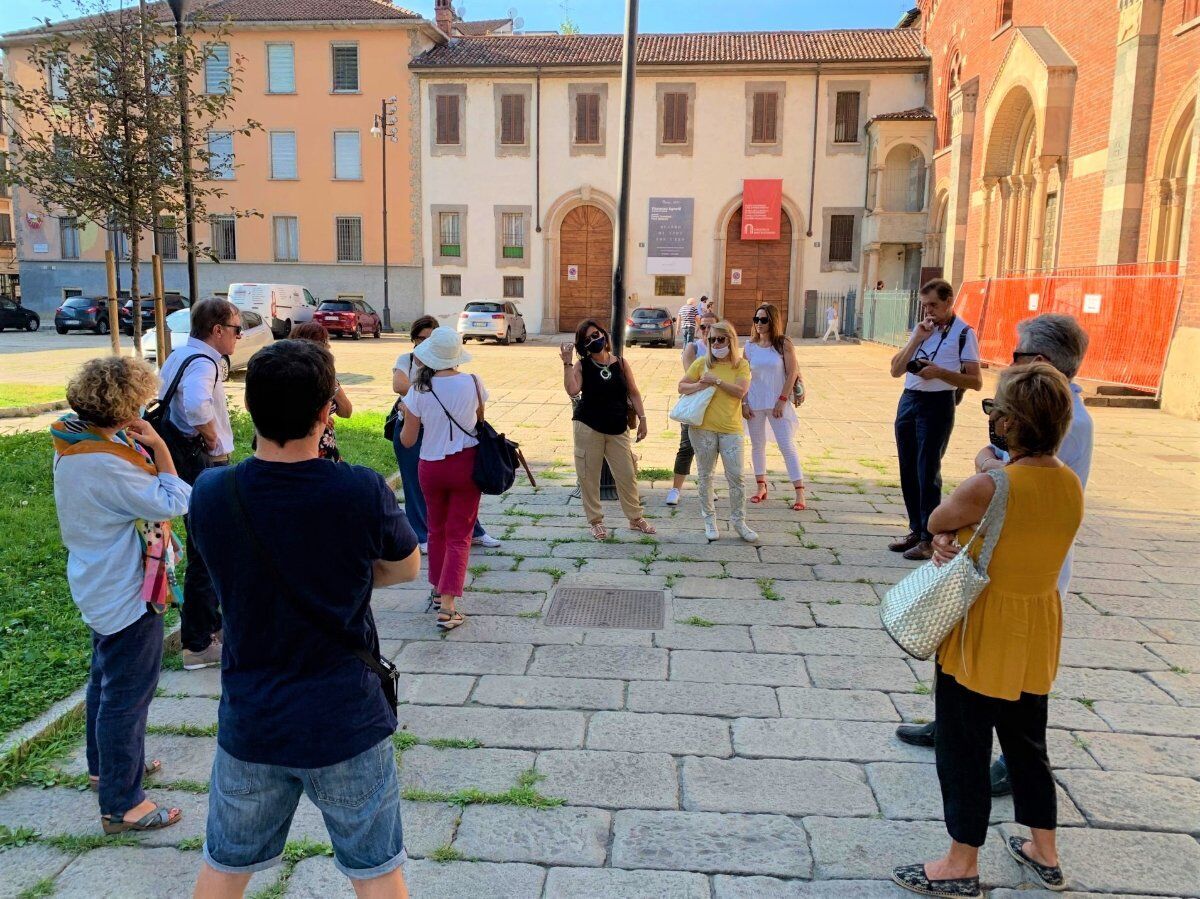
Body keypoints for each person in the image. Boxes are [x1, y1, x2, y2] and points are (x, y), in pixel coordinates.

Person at [190, 340, 420, 898]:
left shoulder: (214, 492)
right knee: (377, 873)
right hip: (345, 717)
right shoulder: (358, 488)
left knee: (224, 868)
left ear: (248, 408)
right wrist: (347, 579)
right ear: (325, 412)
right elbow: (407, 567)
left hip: (253, 717)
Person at [891, 364, 1083, 899]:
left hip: (983, 630)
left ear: (1011, 424)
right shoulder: (1069, 483)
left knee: (964, 747)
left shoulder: (991, 483)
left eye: (995, 410)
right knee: (1027, 743)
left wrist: (961, 513)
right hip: (1038, 628)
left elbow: (935, 519)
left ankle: (960, 863)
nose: (992, 417)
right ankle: (1045, 850)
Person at [896, 315, 1093, 793]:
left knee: (1013, 669)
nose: (1010, 363)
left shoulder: (1068, 420)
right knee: (962, 646)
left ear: (1040, 362)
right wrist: (952, 529)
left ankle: (1012, 756)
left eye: (1018, 356)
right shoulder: (1054, 412)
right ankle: (950, 725)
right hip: (992, 550)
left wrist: (984, 466)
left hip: (1023, 567)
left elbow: (1009, 478)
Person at [52, 357, 190, 835]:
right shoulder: (107, 462)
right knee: (128, 696)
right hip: (125, 588)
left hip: (95, 577)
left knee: (104, 682)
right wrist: (162, 449)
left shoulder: (73, 439)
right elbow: (175, 500)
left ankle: (105, 769)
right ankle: (123, 804)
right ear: (126, 406)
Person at [157, 298, 241, 671]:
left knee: (206, 547)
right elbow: (195, 406)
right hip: (203, 463)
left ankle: (211, 625)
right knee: (208, 552)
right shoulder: (205, 361)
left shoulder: (180, 355)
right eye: (237, 329)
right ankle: (196, 643)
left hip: (185, 462)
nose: (239, 337)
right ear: (218, 329)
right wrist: (211, 437)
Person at [401, 327, 491, 630]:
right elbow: (480, 421)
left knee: (436, 530)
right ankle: (449, 605)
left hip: (430, 466)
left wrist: (407, 416)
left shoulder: (417, 390)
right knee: (460, 534)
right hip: (466, 465)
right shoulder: (474, 382)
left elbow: (408, 440)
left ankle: (439, 590)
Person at [888, 279, 982, 561]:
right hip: (909, 399)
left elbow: (975, 381)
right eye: (924, 305)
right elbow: (895, 370)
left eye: (934, 305)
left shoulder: (964, 333)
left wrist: (940, 372)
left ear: (949, 302)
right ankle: (916, 530)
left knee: (927, 470)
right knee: (908, 467)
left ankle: (930, 538)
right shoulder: (921, 331)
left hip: (938, 403)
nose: (928, 311)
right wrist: (917, 338)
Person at [391, 316, 501, 552]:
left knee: (463, 492)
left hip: (443, 430)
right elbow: (399, 386)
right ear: (413, 340)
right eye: (421, 339)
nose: (426, 343)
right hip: (414, 425)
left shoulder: (462, 379)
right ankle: (422, 535)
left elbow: (476, 414)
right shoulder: (407, 361)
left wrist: (435, 389)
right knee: (414, 484)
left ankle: (474, 531)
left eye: (431, 339)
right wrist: (428, 394)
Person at [562, 319, 656, 540]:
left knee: (627, 473)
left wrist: (643, 419)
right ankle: (596, 522)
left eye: (596, 335)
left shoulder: (621, 363)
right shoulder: (582, 365)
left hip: (617, 427)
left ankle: (635, 518)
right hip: (588, 426)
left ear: (604, 335)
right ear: (583, 345)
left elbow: (633, 392)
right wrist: (567, 363)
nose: (595, 340)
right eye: (588, 339)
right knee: (588, 476)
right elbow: (573, 390)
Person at [679, 320, 757, 543]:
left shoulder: (740, 365)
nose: (715, 343)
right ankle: (709, 520)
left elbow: (740, 391)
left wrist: (718, 381)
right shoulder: (702, 363)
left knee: (737, 477)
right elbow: (682, 386)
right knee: (705, 475)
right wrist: (699, 385)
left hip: (731, 429)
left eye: (720, 339)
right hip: (702, 428)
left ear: (730, 340)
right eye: (712, 339)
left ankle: (739, 522)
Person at [744, 303, 807, 511]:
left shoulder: (783, 344)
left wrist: (782, 399)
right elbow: (742, 376)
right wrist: (744, 402)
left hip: (776, 402)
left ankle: (799, 492)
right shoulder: (749, 346)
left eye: (764, 320)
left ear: (773, 321)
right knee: (757, 445)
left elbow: (792, 373)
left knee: (786, 445)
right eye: (756, 319)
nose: (759, 324)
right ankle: (761, 487)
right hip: (754, 401)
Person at [666, 311, 717, 506]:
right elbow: (692, 376)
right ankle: (675, 489)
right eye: (703, 326)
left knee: (711, 448)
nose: (706, 330)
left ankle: (708, 487)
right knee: (686, 447)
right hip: (694, 404)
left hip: (715, 406)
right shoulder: (693, 347)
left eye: (710, 326)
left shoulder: (724, 349)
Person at [291, 322, 352, 461]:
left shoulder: (326, 375)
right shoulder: (287, 373)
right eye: (325, 342)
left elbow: (346, 412)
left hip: (324, 447)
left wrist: (333, 384)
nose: (329, 347)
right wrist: (314, 417)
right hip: (295, 449)